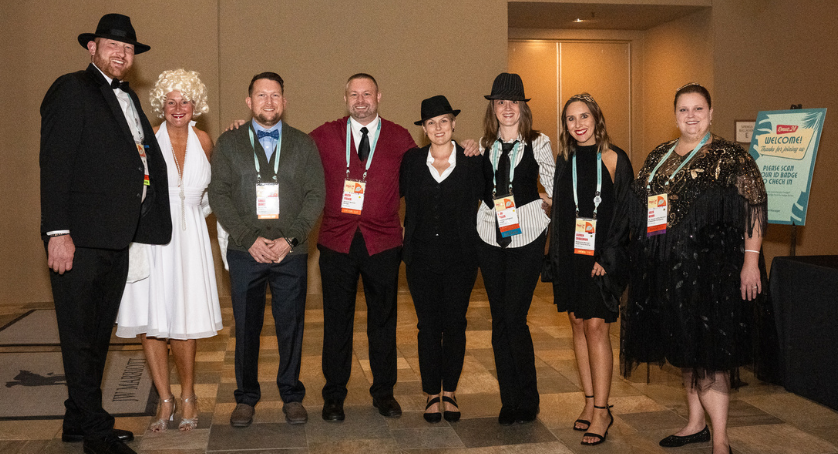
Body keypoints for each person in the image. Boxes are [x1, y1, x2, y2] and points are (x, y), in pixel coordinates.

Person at [40, 13, 172, 454]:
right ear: (91, 47)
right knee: (79, 337)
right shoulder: (71, 89)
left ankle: (77, 420)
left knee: (96, 336)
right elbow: (54, 164)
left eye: (129, 48)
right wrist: (57, 232)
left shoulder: (129, 97)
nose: (122, 53)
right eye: (112, 45)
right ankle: (97, 434)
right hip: (78, 239)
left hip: (116, 238)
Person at [621, 83, 766, 454]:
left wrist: (751, 262)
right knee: (686, 346)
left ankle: (721, 440)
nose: (691, 116)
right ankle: (695, 424)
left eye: (698, 109)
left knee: (711, 356)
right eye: (683, 109)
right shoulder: (660, 155)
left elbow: (754, 210)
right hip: (670, 272)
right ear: (675, 115)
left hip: (714, 274)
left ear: (711, 113)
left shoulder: (732, 157)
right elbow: (642, 205)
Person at [209, 72, 325, 427]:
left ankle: (291, 395)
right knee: (246, 327)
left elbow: (315, 195)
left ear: (284, 102)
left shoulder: (303, 144)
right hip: (246, 252)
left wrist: (291, 239)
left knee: (291, 326)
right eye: (261, 95)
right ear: (249, 101)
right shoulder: (229, 143)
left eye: (275, 95)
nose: (269, 102)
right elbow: (219, 194)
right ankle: (246, 398)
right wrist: (248, 239)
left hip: (291, 252)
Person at [115, 69, 222, 432]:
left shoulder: (205, 141)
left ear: (196, 105)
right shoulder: (145, 139)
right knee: (152, 322)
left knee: (185, 322)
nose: (178, 108)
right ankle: (165, 399)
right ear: (162, 105)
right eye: (171, 101)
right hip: (152, 239)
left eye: (185, 101)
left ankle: (188, 396)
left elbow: (212, 195)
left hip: (190, 242)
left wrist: (192, 217)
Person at [309, 73, 417, 421]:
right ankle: (334, 395)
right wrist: (246, 129)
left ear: (378, 97)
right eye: (354, 95)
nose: (360, 101)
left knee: (383, 321)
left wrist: (467, 148)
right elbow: (288, 151)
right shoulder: (325, 135)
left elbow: (423, 175)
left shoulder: (400, 137)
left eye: (366, 94)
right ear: (345, 99)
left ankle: (384, 393)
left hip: (382, 242)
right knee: (336, 321)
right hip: (336, 242)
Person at [549, 93, 633, 445]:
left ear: (597, 118)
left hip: (601, 259)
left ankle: (602, 410)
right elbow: (563, 211)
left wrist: (607, 258)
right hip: (571, 256)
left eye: (584, 116)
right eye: (571, 119)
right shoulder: (565, 159)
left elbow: (625, 213)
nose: (578, 124)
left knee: (597, 326)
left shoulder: (614, 158)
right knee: (578, 323)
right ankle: (588, 402)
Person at [476, 73, 555, 426]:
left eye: (513, 102)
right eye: (500, 102)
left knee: (514, 317)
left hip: (527, 235)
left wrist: (543, 203)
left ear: (523, 106)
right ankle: (509, 401)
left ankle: (528, 398)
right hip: (489, 236)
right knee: (499, 319)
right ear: (493, 108)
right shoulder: (484, 144)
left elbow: (554, 186)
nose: (507, 108)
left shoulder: (539, 142)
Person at [400, 96, 483, 423]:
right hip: (420, 259)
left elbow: (495, 197)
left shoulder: (472, 160)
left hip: (460, 259)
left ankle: (450, 391)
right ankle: (432, 392)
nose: (438, 128)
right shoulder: (411, 161)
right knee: (428, 326)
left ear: (454, 124)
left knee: (455, 323)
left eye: (444, 121)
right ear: (423, 128)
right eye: (431, 122)